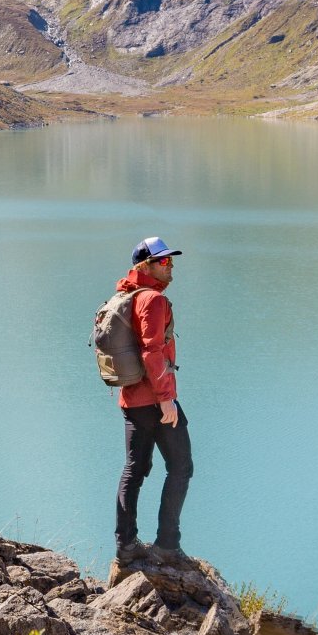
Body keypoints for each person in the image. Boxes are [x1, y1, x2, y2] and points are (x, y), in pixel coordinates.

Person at [114, 236, 191, 560]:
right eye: (163, 261)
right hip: (155, 400)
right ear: (144, 265)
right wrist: (165, 399)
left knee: (135, 468)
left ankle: (126, 545)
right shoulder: (153, 301)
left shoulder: (125, 295)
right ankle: (167, 544)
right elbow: (152, 350)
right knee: (181, 467)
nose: (170, 265)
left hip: (131, 399)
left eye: (171, 260)